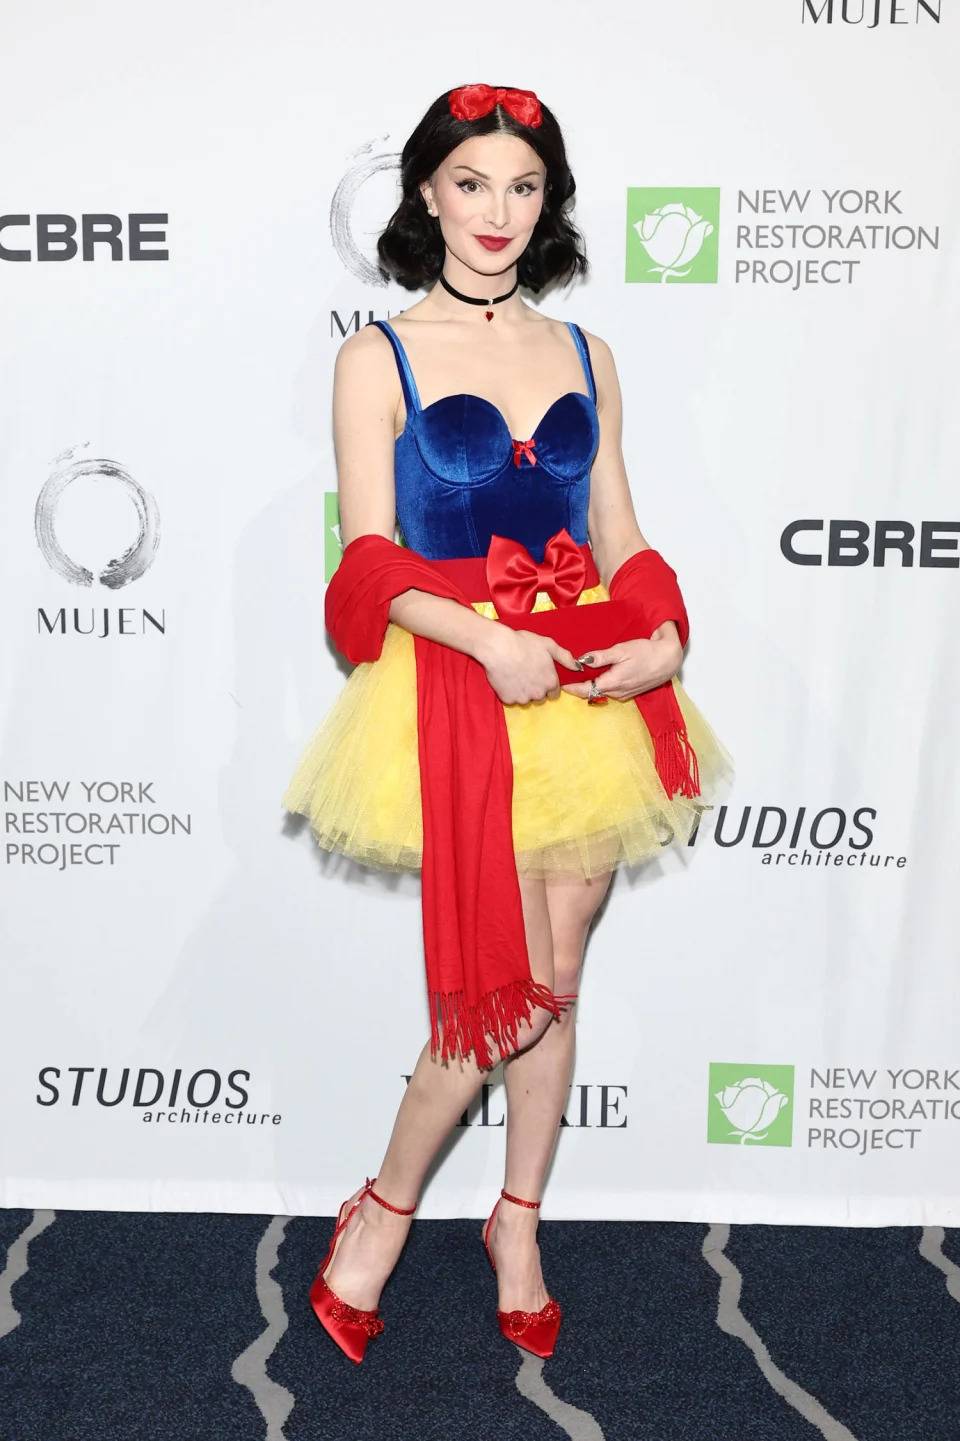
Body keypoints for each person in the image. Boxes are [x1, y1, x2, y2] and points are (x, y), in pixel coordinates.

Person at [282, 82, 731, 1365]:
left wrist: (663, 637)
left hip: (585, 672)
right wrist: (483, 639)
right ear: (426, 192)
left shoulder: (588, 355)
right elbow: (367, 563)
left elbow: (622, 538)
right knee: (509, 985)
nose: (499, 212)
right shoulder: (378, 357)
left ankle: (517, 1220)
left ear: (551, 204)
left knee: (563, 964)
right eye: (472, 182)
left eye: (524, 187)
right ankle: (384, 1206)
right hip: (459, 673)